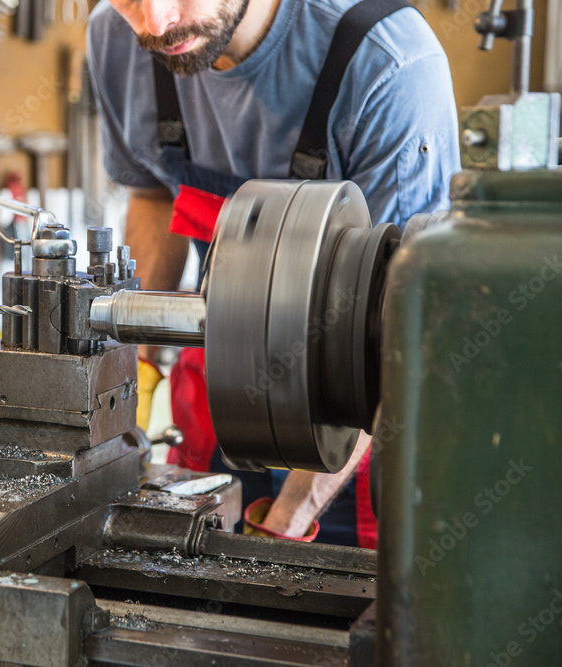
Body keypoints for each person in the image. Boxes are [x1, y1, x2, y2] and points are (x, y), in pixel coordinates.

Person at [87, 0, 461, 546]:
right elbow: (152, 192)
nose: (156, 23)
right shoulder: (118, 37)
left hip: (354, 431)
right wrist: (130, 373)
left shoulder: (389, 63)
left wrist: (285, 525)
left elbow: (399, 336)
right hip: (217, 404)